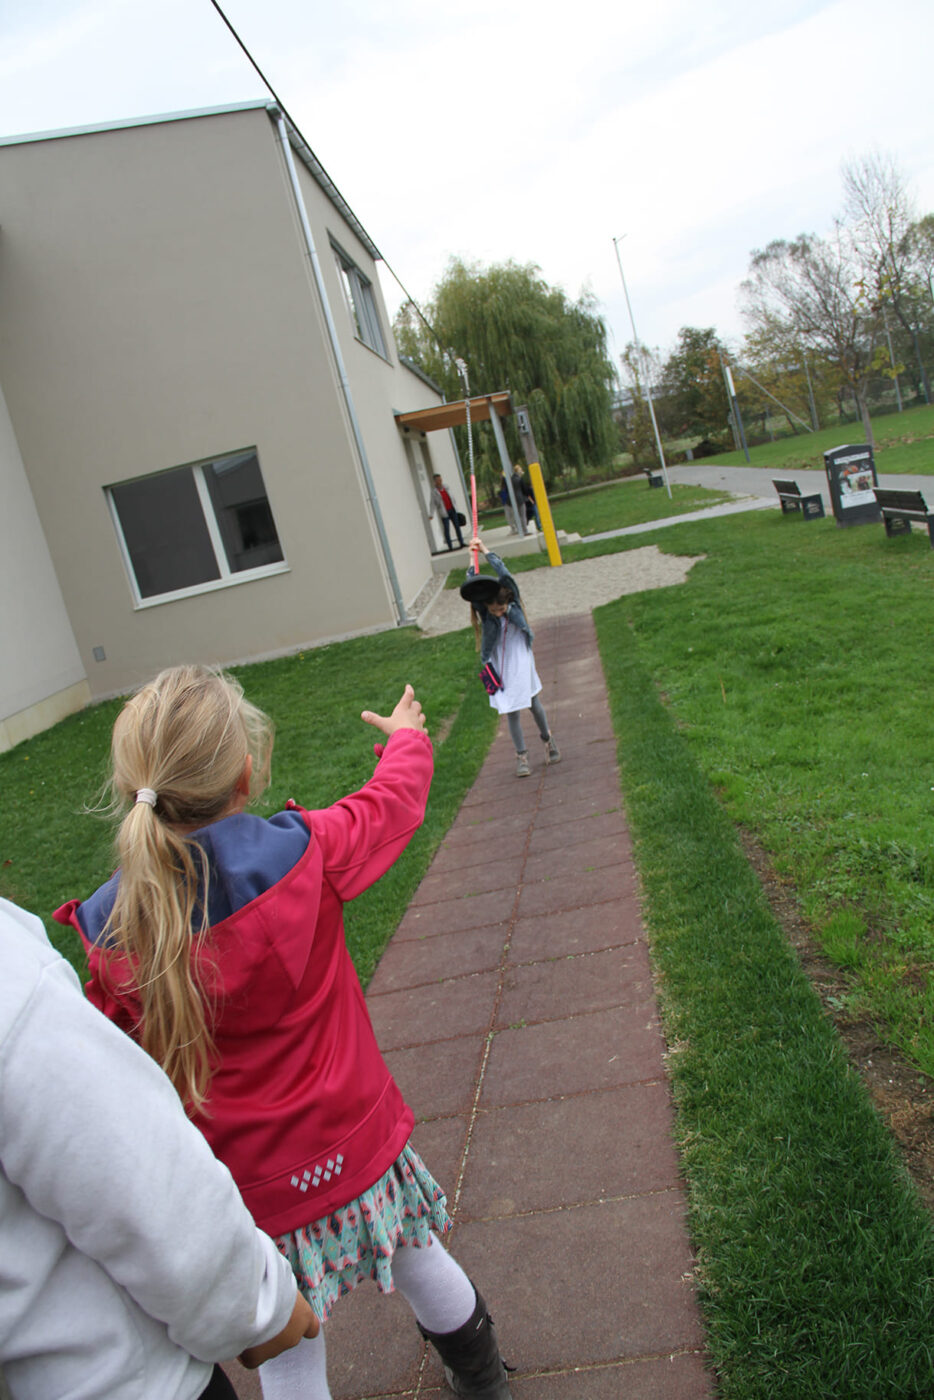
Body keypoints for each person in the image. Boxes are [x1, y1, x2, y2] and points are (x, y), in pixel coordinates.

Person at [55, 666, 512, 1400]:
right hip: (357, 1143)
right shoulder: (306, 850)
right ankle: (483, 1381)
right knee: (421, 1257)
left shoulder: (114, 935)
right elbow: (389, 805)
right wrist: (405, 743)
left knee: (292, 1347)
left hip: (249, 1191)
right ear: (247, 771)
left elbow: (109, 1058)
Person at [0, 895, 317, 1400]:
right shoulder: (10, 978)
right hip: (120, 1379)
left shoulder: (109, 930)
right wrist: (258, 1304)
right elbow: (131, 1172)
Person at [467, 536, 560, 777]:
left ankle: (548, 739)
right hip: (499, 662)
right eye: (493, 610)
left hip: (520, 658)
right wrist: (471, 556)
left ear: (508, 601)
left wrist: (486, 549)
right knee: (511, 709)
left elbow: (504, 573)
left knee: (532, 702)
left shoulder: (514, 603)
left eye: (501, 609)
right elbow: (472, 586)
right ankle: (522, 756)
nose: (497, 614)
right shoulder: (487, 615)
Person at [428, 472, 465, 550]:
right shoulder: (434, 492)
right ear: (435, 481)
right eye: (438, 480)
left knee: (457, 527)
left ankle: (461, 542)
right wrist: (431, 514)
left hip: (452, 509)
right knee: (447, 529)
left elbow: (452, 498)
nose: (440, 481)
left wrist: (456, 507)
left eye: (440, 479)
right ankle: (450, 546)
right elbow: (432, 503)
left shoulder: (446, 487)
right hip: (444, 512)